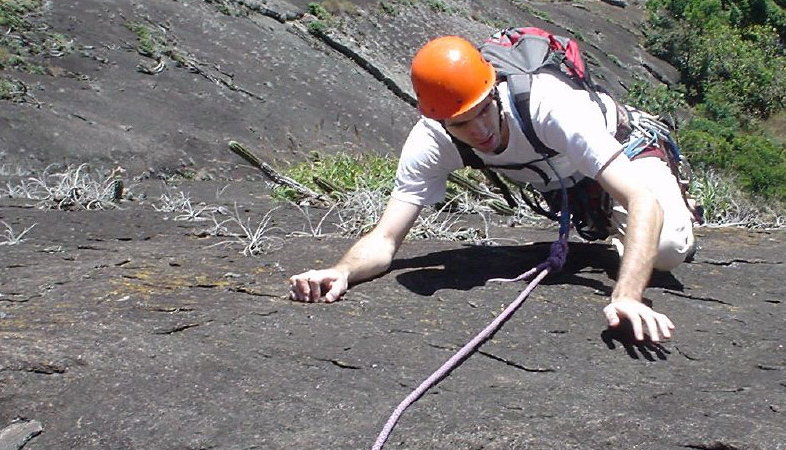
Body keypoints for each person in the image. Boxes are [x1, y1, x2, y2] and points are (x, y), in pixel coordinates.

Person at [289, 35, 697, 343]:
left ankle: (666, 208)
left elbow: (640, 197)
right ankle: (618, 226)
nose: (480, 131)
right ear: (438, 120)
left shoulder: (547, 105)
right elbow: (384, 239)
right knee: (636, 234)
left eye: (484, 111)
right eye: (463, 124)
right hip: (562, 176)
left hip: (626, 146)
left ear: (495, 87)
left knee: (666, 249)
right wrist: (341, 271)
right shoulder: (431, 140)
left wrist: (627, 294)